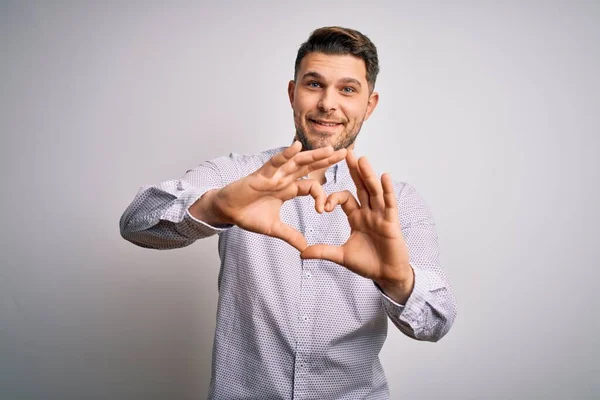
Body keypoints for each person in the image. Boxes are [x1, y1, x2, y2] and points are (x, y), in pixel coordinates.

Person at [120, 26, 457, 400]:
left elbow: (436, 321)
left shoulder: (400, 204)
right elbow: (137, 223)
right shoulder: (238, 177)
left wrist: (397, 280)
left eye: (347, 89)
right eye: (314, 84)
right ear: (292, 93)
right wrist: (215, 207)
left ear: (370, 104)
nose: (328, 103)